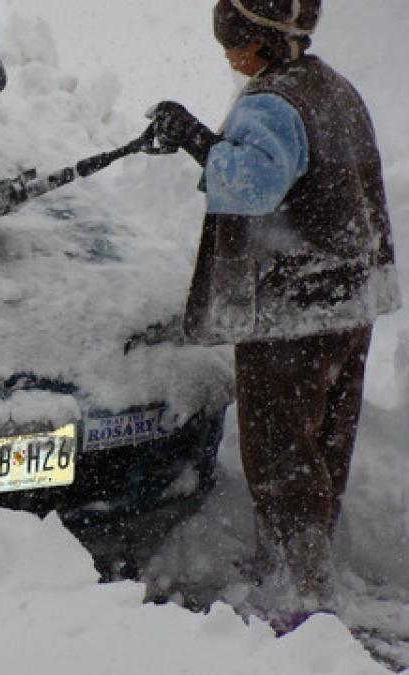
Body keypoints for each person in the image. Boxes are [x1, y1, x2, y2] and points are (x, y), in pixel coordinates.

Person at [146, 0, 401, 630]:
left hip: (293, 312)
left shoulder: (273, 102)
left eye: (231, 42)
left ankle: (298, 597)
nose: (227, 55)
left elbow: (254, 185)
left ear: (260, 42)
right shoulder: (331, 87)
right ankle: (306, 566)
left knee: (281, 453)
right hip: (348, 302)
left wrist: (196, 140)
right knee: (323, 445)